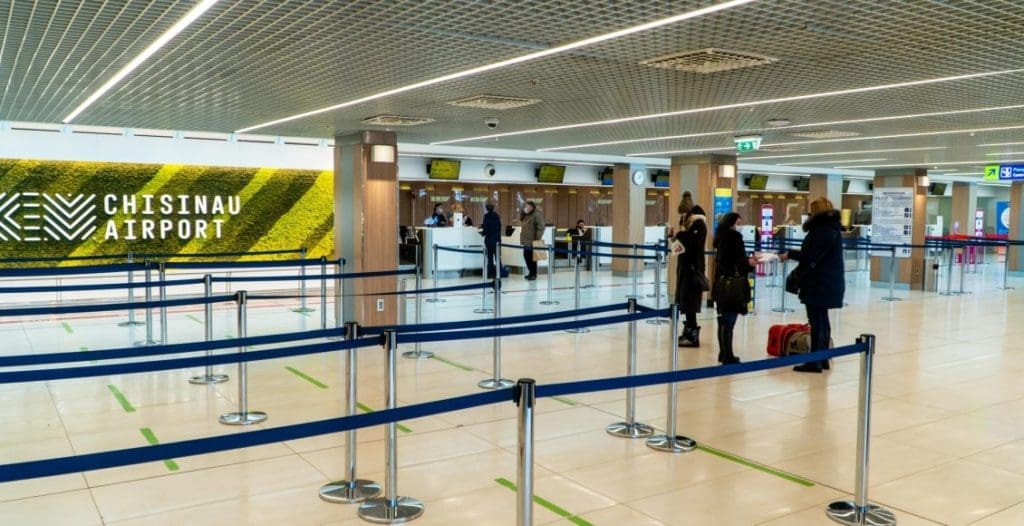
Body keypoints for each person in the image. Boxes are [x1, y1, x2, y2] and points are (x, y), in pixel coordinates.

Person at [780, 197, 845, 373]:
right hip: (829, 281)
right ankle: (822, 358)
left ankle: (814, 361)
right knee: (822, 319)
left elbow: (809, 257)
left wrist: (790, 255)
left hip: (818, 282)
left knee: (816, 321)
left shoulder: (820, 230)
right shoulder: (833, 228)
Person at [712, 212, 758, 364]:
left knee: (722, 320)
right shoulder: (734, 238)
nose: (740, 226)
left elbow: (725, 261)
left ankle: (723, 352)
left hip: (721, 284)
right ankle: (728, 356)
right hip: (733, 286)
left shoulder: (720, 238)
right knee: (729, 322)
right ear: (731, 223)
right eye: (738, 223)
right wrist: (749, 263)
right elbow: (739, 262)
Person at [672, 192, 708, 347]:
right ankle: (688, 330)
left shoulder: (699, 225)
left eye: (683, 215)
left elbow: (694, 243)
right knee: (685, 301)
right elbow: (680, 247)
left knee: (690, 301)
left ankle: (693, 334)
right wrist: (673, 238)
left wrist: (680, 234)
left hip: (693, 270)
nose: (682, 217)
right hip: (685, 268)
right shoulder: (689, 226)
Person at [519, 201, 545, 280]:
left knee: (532, 258)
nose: (526, 208)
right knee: (527, 256)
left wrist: (537, 239)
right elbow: (521, 219)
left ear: (531, 207)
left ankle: (533, 274)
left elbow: (541, 227)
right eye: (525, 207)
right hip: (526, 240)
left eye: (527, 206)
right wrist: (523, 212)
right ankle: (531, 272)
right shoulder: (528, 214)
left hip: (533, 240)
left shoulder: (537, 214)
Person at [479, 202, 501, 279]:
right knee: (497, 257)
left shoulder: (486, 216)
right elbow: (498, 227)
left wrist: (483, 233)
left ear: (487, 209)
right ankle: (499, 272)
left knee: (490, 257)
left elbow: (486, 228)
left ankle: (490, 273)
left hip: (489, 239)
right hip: (497, 239)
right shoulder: (497, 216)